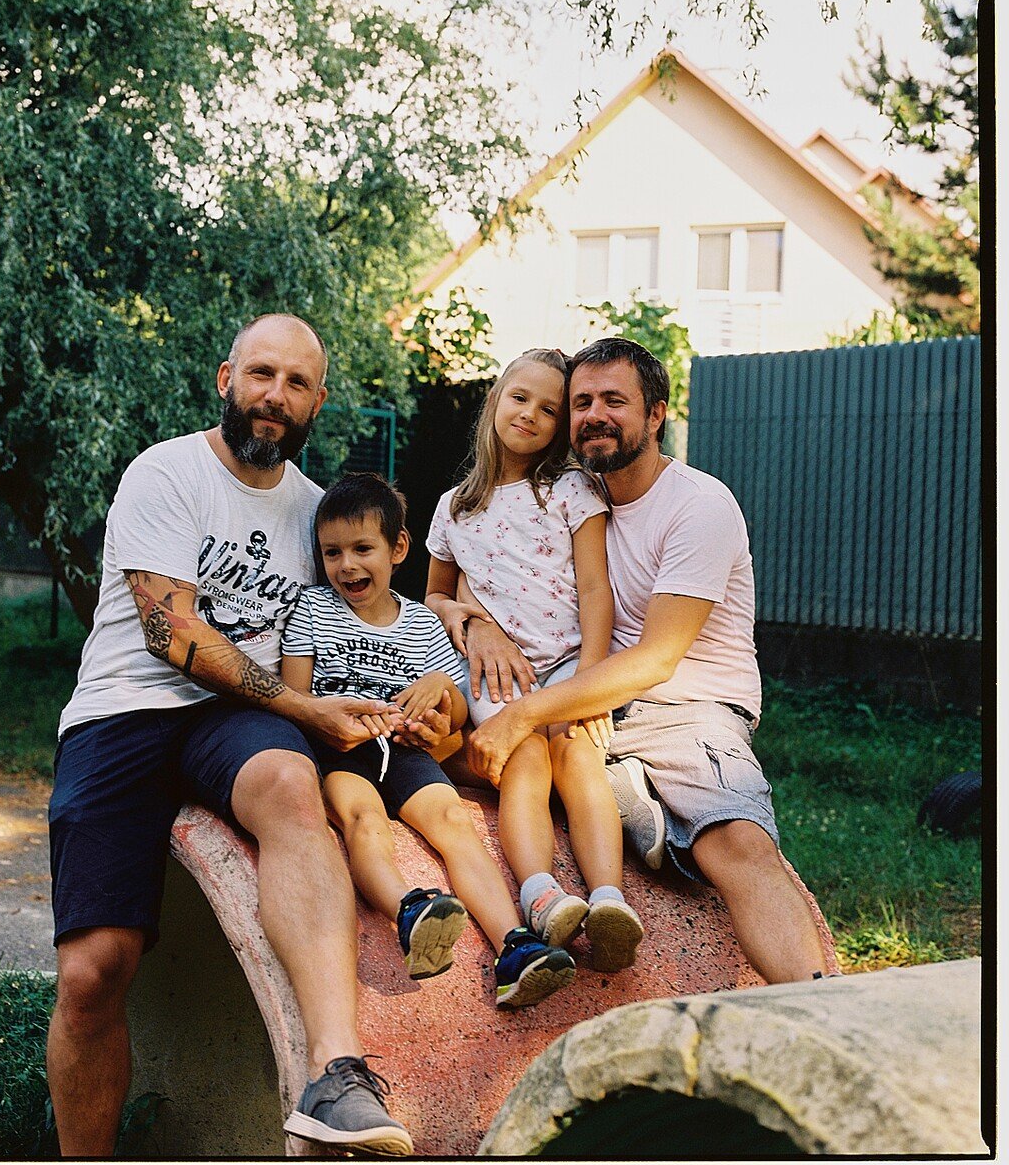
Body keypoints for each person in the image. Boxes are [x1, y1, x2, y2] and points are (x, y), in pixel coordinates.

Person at [46, 314, 440, 1157]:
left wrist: (457, 628)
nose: (275, 397)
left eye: (297, 384)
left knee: (294, 792)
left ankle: (336, 1077)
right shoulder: (167, 472)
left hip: (234, 719)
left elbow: (374, 601)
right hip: (123, 709)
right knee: (93, 972)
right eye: (262, 375)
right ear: (226, 377)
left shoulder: (313, 511)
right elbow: (171, 635)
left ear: (318, 402)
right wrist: (305, 711)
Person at [466, 336, 829, 985]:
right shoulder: (568, 494)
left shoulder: (698, 505)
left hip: (682, 708)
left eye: (614, 400)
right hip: (579, 696)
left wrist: (522, 714)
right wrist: (476, 622)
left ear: (656, 414)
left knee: (734, 842)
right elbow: (483, 560)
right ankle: (628, 799)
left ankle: (826, 1014)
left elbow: (658, 658)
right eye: (580, 403)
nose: (593, 415)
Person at [281, 473, 577, 1009]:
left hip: (408, 752)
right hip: (341, 751)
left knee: (453, 822)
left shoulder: (421, 623)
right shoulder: (312, 609)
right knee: (364, 821)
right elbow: (296, 697)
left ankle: (514, 946)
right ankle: (409, 909)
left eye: (362, 548)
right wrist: (323, 732)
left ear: (398, 548)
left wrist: (442, 690)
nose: (346, 565)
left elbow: (457, 715)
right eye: (332, 553)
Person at [423, 348, 646, 976]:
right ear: (496, 398)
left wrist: (595, 683)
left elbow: (596, 589)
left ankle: (608, 900)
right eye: (520, 397)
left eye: (550, 409)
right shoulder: (455, 506)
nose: (531, 415)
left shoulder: (571, 490)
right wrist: (475, 623)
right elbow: (434, 594)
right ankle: (541, 895)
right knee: (524, 754)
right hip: (501, 673)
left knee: (574, 748)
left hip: (570, 662)